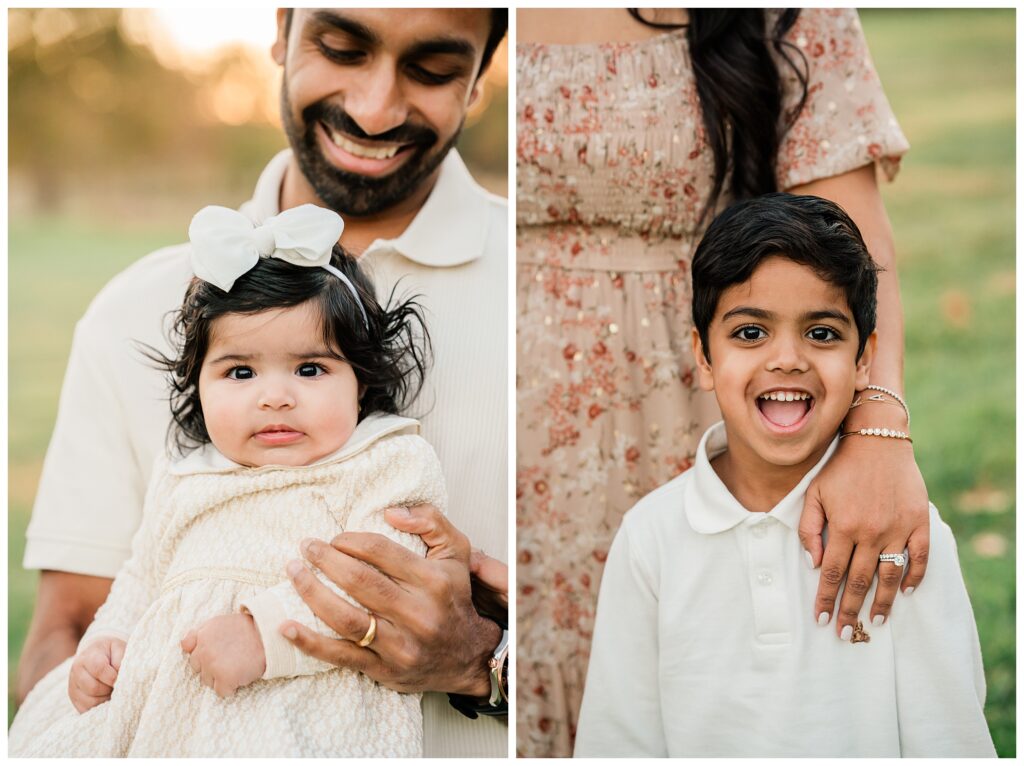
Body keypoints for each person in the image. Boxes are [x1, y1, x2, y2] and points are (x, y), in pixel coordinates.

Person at [18, 9, 508, 757]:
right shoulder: (126, 312)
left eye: (434, 69)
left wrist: (486, 663)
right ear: (281, 28)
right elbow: (72, 624)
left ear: (479, 79)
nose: (375, 108)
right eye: (342, 48)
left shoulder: (540, 289)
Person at [516, 9, 926, 756]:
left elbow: (856, 248)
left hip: (705, 423)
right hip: (516, 448)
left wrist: (878, 431)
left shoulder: (784, 14)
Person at [10, 206, 448, 756]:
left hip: (305, 721)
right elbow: (141, 577)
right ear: (198, 385)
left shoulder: (383, 463)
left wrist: (265, 633)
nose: (275, 396)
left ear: (360, 381)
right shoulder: (185, 475)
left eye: (310, 369)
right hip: (166, 723)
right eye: (240, 372)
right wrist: (106, 641)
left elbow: (385, 584)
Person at [574, 193, 995, 757]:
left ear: (863, 360)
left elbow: (949, 737)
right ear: (703, 358)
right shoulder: (650, 538)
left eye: (821, 333)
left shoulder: (900, 530)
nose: (788, 359)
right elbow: (619, 741)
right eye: (751, 333)